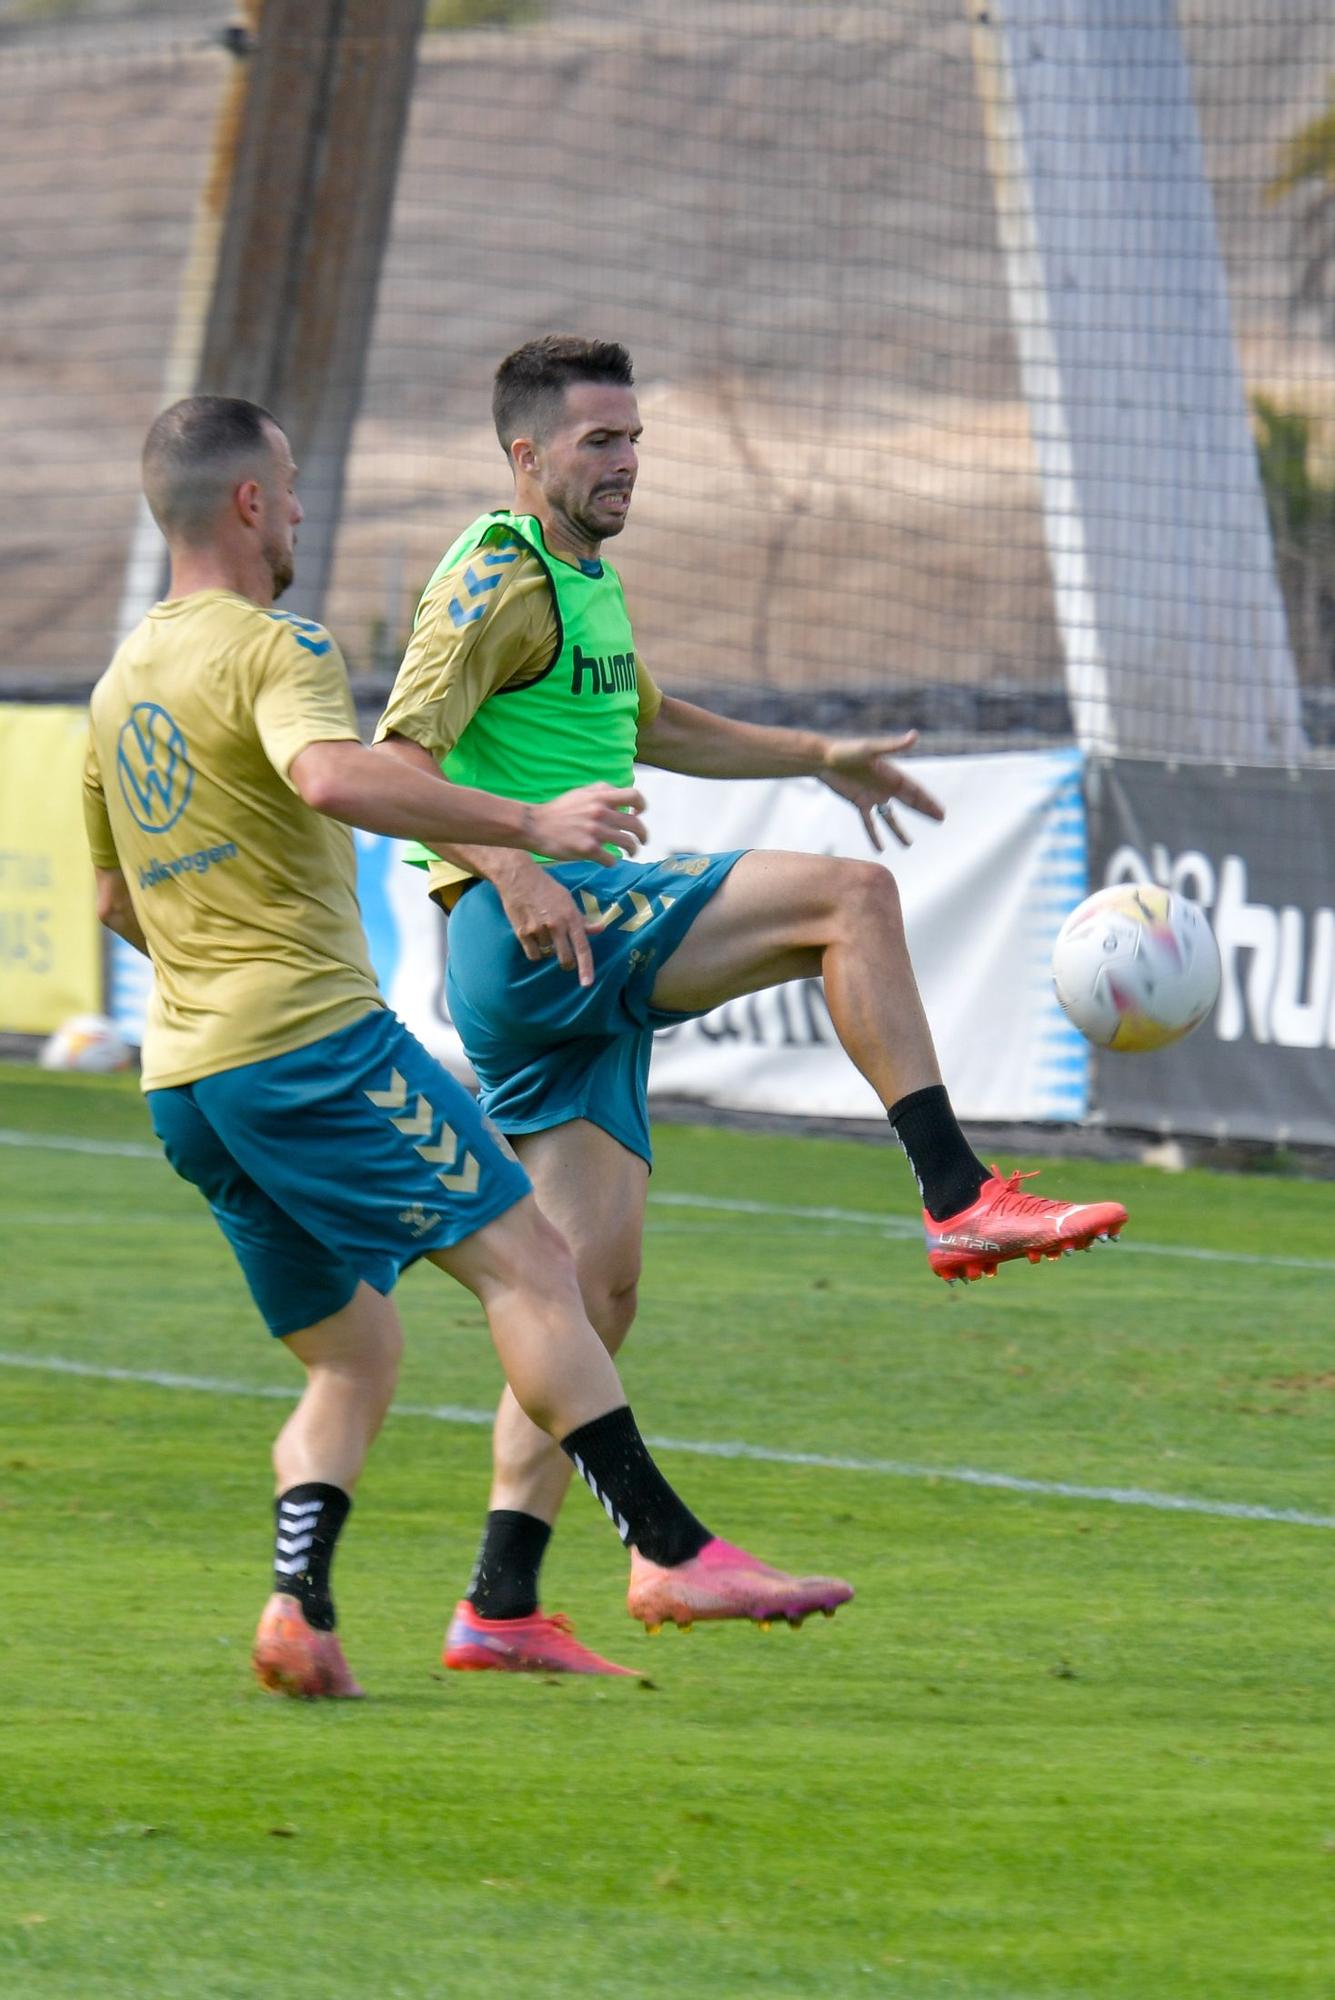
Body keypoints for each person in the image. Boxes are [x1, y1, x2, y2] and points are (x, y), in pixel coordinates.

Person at [372, 334, 1128, 1678]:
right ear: (526, 454)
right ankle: (956, 1196)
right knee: (852, 899)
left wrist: (811, 752)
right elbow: (392, 763)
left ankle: (499, 1602)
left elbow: (652, 721)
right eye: (599, 441)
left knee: (584, 1298)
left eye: (635, 438)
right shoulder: (495, 571)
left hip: (563, 971)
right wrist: (506, 863)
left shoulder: (581, 581)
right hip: (536, 925)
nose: (626, 463)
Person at [82, 393, 853, 1700]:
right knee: (535, 1267)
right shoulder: (277, 649)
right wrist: (527, 825)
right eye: (293, 485)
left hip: (187, 1084)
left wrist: (221, 992)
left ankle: (299, 1607)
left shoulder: (116, 686)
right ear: (253, 504)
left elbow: (112, 904)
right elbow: (335, 777)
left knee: (355, 1352)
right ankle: (668, 1550)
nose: (306, 513)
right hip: (309, 1045)